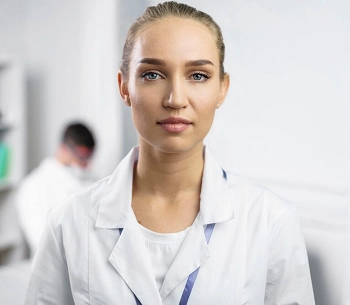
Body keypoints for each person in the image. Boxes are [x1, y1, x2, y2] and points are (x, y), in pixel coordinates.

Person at [24, 2, 315, 304]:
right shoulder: (68, 223)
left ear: (222, 89)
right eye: (152, 75)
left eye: (198, 76)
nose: (176, 99)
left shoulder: (272, 221)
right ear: (124, 87)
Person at [16, 122, 96, 257]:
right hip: (55, 268)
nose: (85, 164)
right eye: (81, 156)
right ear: (63, 149)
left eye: (89, 157)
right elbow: (43, 240)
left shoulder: (89, 181)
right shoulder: (34, 186)